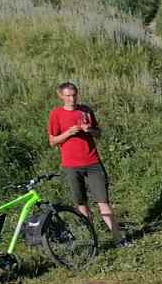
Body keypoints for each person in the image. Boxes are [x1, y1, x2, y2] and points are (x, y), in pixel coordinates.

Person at [46, 81, 118, 242]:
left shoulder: (85, 110)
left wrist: (89, 130)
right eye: (68, 96)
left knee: (103, 202)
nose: (72, 99)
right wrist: (68, 133)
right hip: (71, 165)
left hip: (93, 162)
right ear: (61, 96)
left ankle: (118, 238)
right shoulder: (56, 114)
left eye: (74, 95)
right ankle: (93, 240)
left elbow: (98, 133)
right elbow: (52, 141)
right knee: (82, 204)